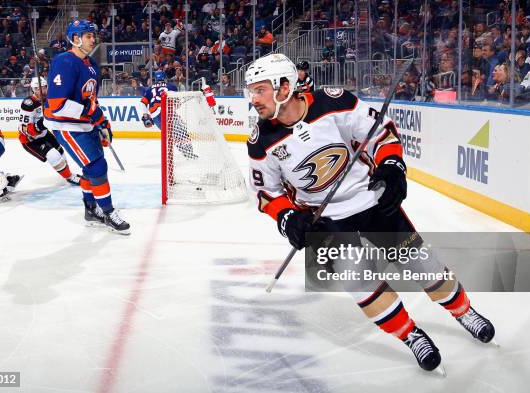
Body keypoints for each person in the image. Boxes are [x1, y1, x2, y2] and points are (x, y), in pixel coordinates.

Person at [244, 54, 496, 374]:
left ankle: (463, 312)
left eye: (260, 90)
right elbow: (267, 193)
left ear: (284, 87)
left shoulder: (333, 103)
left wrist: (391, 166)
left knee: (422, 263)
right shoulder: (260, 141)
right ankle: (410, 335)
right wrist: (289, 218)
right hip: (326, 222)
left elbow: (381, 133)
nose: (253, 99)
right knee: (361, 283)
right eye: (250, 91)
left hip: (370, 200)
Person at [44, 19, 130, 235]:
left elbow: (91, 100)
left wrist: (102, 122)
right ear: (75, 39)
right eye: (88, 36)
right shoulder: (64, 61)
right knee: (97, 167)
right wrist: (91, 115)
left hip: (83, 124)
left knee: (88, 168)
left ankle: (91, 210)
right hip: (65, 125)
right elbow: (57, 105)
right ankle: (108, 212)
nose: (93, 39)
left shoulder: (91, 65)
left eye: (93, 35)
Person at [19, 77, 81, 186]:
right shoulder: (28, 103)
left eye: (43, 88)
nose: (41, 91)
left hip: (44, 133)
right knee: (53, 155)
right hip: (30, 140)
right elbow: (25, 129)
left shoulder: (50, 99)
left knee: (61, 152)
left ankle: (68, 174)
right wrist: (40, 125)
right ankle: (70, 177)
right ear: (33, 89)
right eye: (38, 89)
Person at [140, 70, 197, 159]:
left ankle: (187, 153)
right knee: (182, 132)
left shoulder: (150, 88)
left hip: (155, 115)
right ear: (165, 77)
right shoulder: (171, 86)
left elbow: (143, 102)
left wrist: (146, 115)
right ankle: (189, 153)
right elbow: (177, 104)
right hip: (167, 111)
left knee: (172, 134)